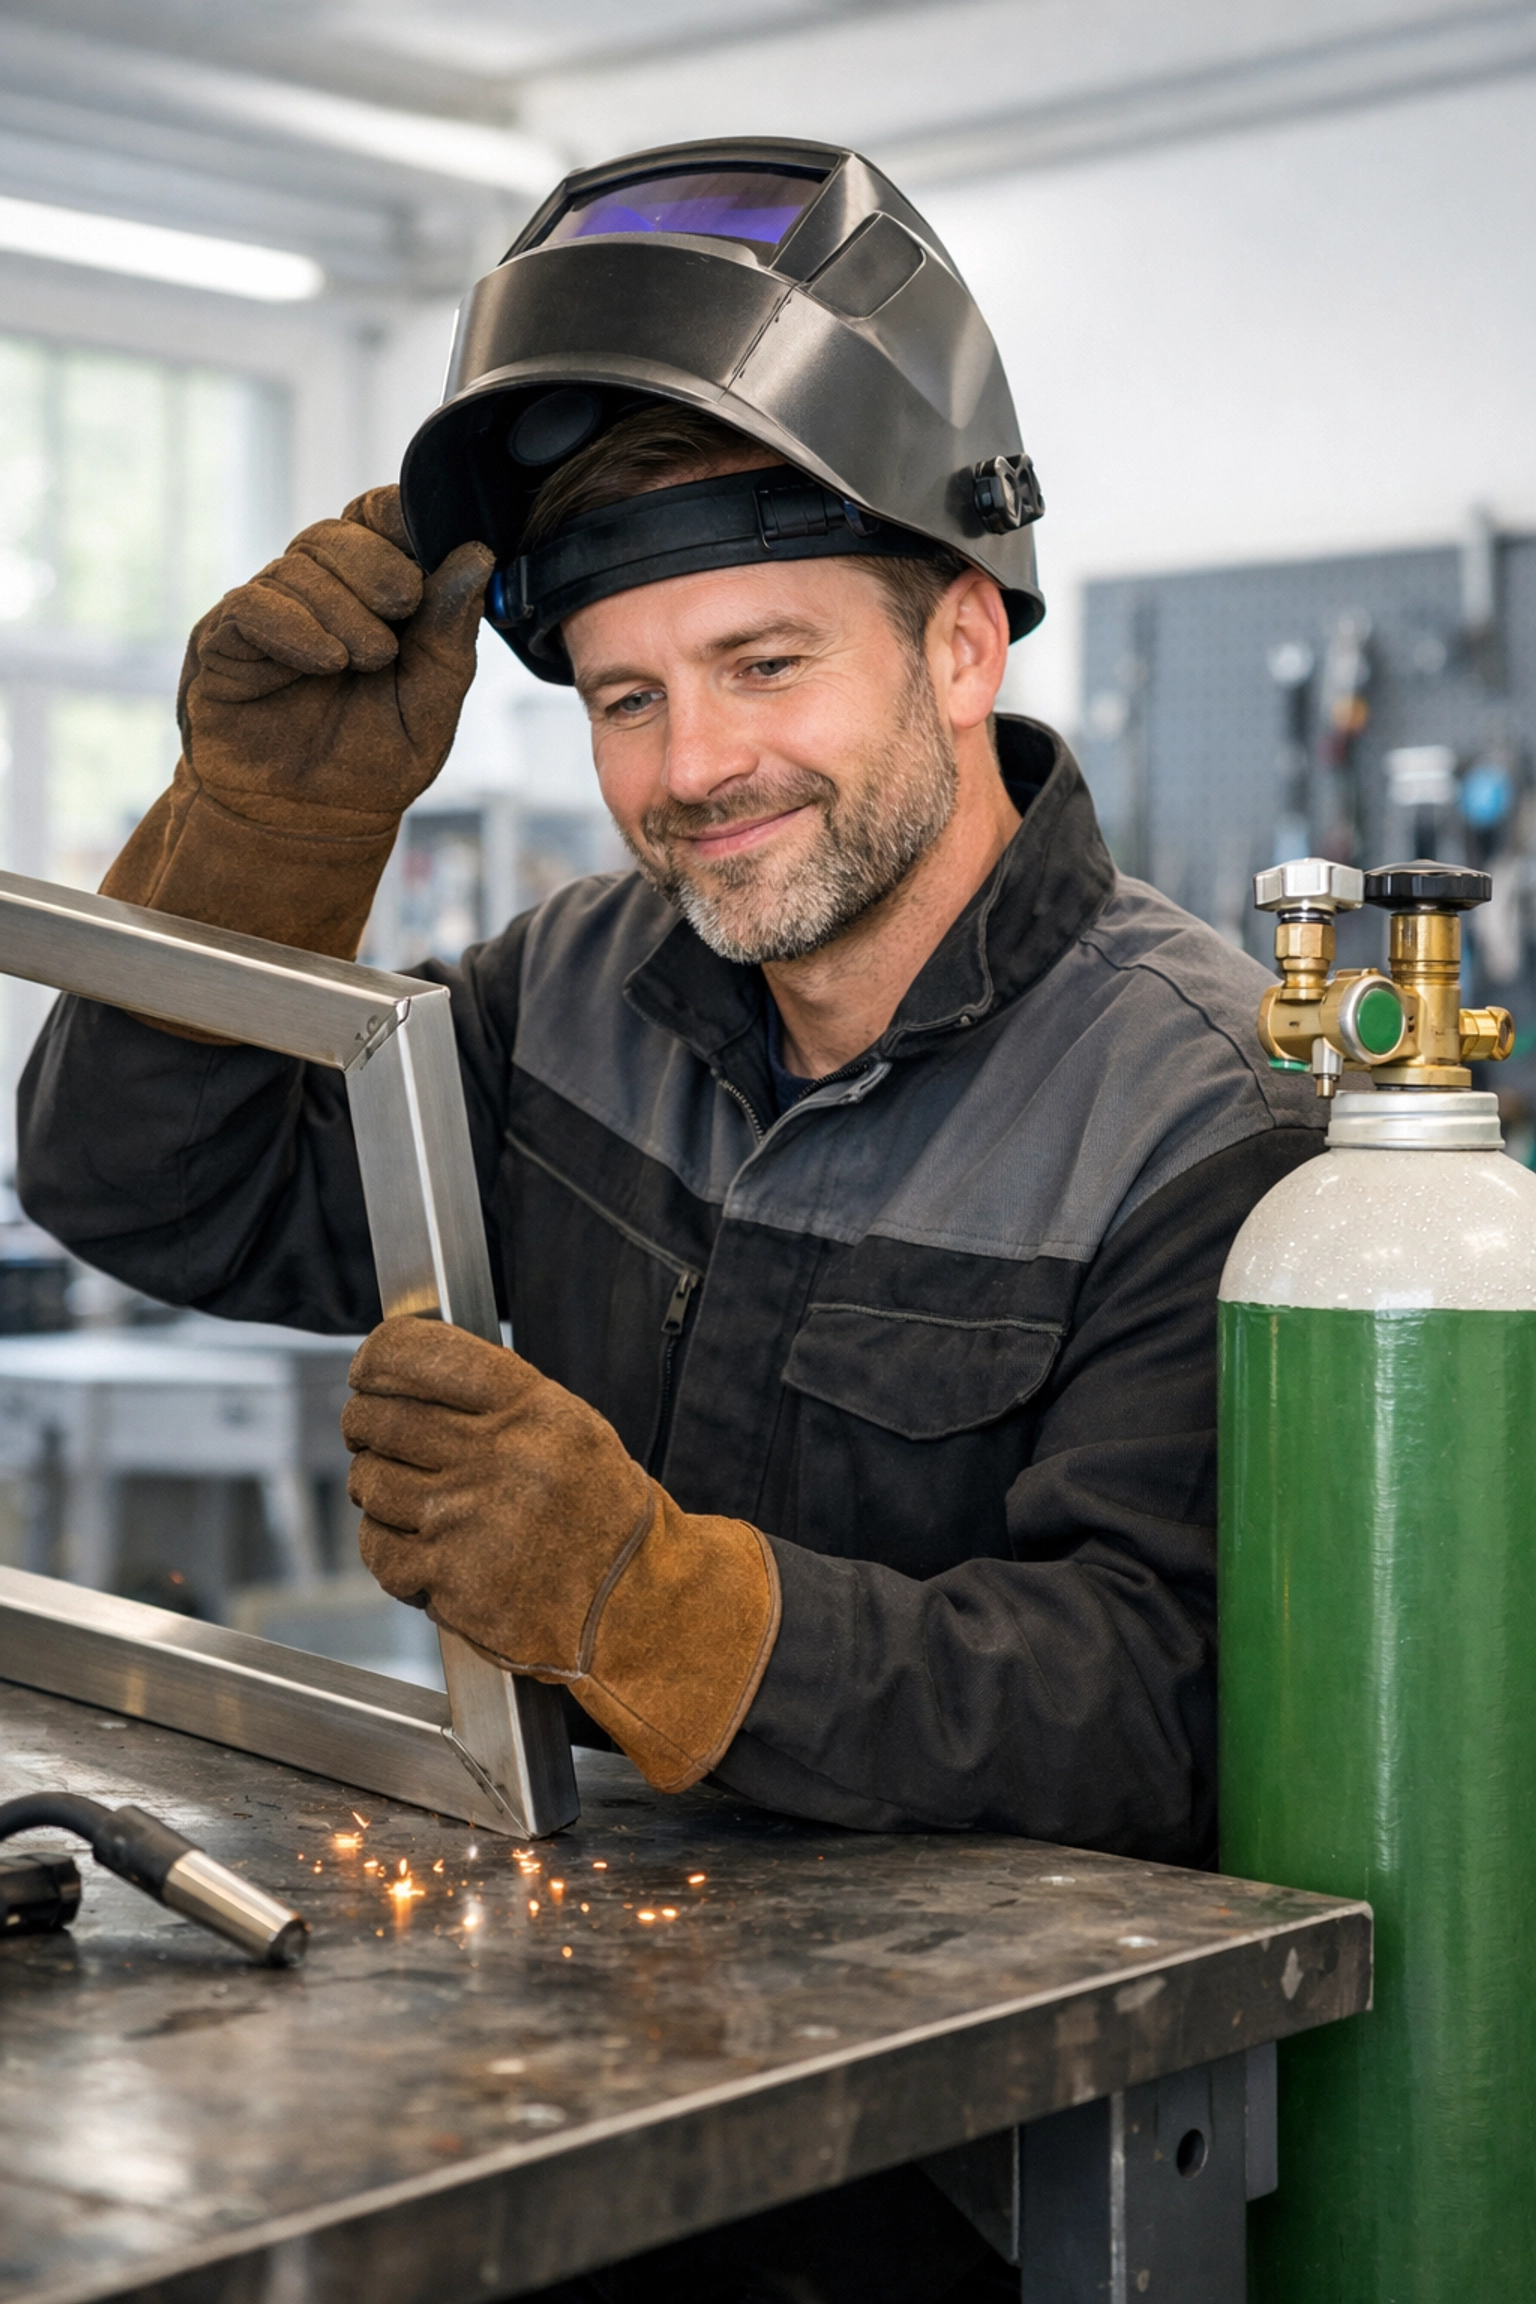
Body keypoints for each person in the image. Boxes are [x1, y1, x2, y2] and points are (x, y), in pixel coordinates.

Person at [16, 139, 1321, 2301]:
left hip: (973, 2166)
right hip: (575, 2043)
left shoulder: (1194, 1109)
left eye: (764, 661)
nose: (694, 762)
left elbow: (1155, 1705)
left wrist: (657, 1603)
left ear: (962, 639)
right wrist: (269, 825)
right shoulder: (571, 993)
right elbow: (148, 1193)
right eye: (629, 694)